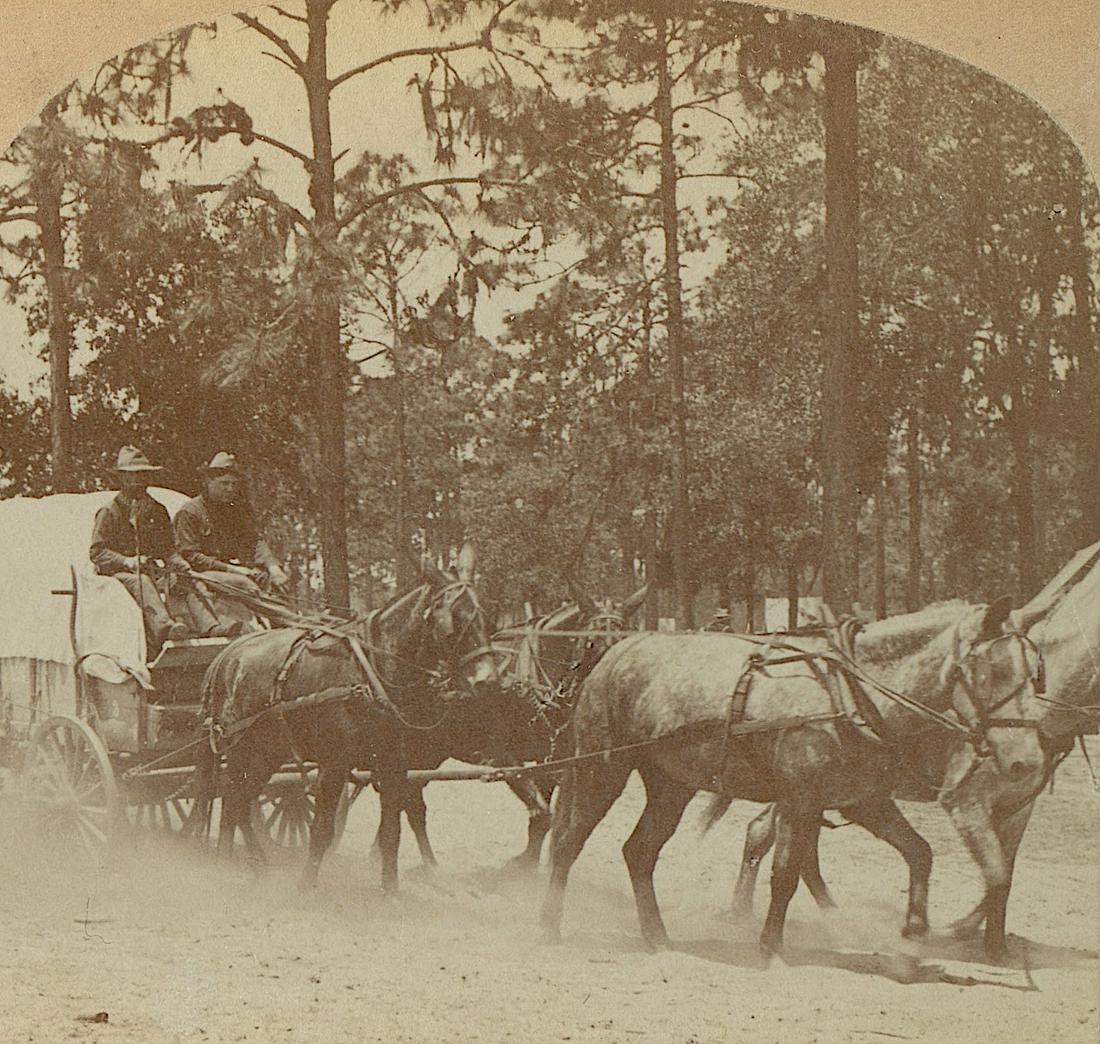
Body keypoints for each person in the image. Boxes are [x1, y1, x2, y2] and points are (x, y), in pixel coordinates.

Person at [90, 446, 222, 656]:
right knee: (141, 582)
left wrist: (178, 563)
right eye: (133, 476)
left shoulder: (157, 510)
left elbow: (167, 548)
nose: (139, 481)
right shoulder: (109, 512)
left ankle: (211, 627)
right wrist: (127, 561)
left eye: (144, 475)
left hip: (152, 571)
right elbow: (97, 552)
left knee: (182, 579)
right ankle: (165, 627)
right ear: (122, 479)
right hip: (118, 576)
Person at [173, 452, 290, 628]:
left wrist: (274, 568)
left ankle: (284, 628)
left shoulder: (236, 511)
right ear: (208, 481)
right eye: (224, 484)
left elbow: (254, 541)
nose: (230, 489)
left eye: (234, 484)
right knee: (243, 582)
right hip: (199, 574)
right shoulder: (190, 512)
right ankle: (233, 626)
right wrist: (235, 570)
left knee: (271, 580)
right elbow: (191, 556)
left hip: (230, 571)